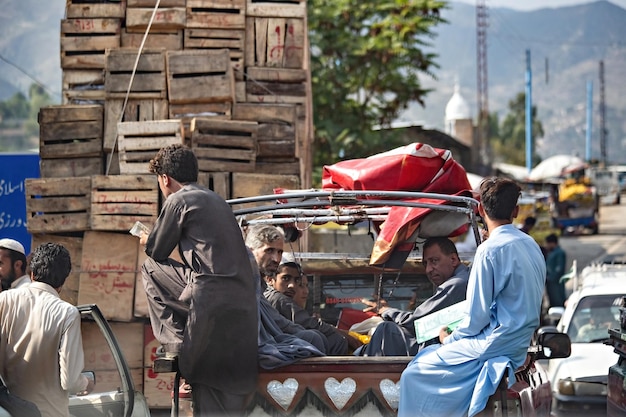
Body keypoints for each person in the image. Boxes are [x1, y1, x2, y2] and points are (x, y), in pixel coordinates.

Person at [398, 177, 546, 417]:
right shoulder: (531, 244)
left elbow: (476, 317)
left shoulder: (489, 250)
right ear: (516, 211)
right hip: (517, 344)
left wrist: (449, 339)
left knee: (414, 374)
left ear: (480, 210)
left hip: (495, 344)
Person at [139, 144, 258, 416]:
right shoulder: (217, 200)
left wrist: (148, 239)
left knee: (150, 267)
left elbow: (157, 250)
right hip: (241, 304)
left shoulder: (178, 200)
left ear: (165, 179)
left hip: (209, 297)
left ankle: (175, 342)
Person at [0, 242, 94, 417]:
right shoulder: (67, 313)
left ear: (32, 273)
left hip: (7, 410)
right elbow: (70, 381)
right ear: (63, 281)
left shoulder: (4, 300)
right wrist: (86, 383)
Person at [357, 237, 470, 356]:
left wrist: (386, 311)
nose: (428, 269)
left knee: (386, 330)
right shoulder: (463, 278)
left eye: (434, 261)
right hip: (446, 346)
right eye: (425, 264)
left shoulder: (457, 283)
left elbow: (415, 322)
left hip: (445, 350)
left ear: (453, 259)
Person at [245, 224, 328, 355]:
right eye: (269, 251)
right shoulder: (244, 282)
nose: (276, 259)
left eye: (279, 252)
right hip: (253, 348)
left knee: (313, 337)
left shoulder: (258, 285)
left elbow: (277, 320)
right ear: (251, 251)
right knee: (312, 338)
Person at [265, 254, 361, 355]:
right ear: (270, 280)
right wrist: (341, 333)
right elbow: (309, 323)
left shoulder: (270, 296)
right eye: (285, 278)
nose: (292, 285)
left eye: (296, 280)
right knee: (327, 339)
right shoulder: (277, 298)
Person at [545, 233, 567, 307]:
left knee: (558, 299)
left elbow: (559, 268)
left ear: (552, 243)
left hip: (556, 282)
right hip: (550, 282)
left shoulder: (559, 253)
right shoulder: (551, 252)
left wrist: (551, 278)